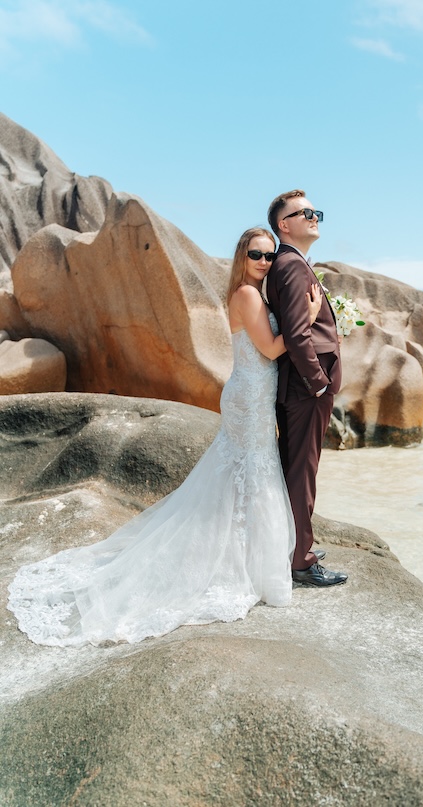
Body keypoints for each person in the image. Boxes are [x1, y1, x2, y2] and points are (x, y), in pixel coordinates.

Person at [7, 227, 323, 647]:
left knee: (244, 476)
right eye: (256, 255)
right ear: (241, 258)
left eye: (269, 255)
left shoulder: (255, 295)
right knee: (255, 474)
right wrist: (311, 316)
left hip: (252, 395)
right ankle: (258, 573)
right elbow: (269, 350)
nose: (264, 262)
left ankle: (251, 564)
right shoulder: (247, 296)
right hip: (249, 397)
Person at [267, 190, 347, 587]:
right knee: (302, 473)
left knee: (295, 469)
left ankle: (293, 545)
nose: (315, 217)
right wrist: (318, 384)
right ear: (284, 225)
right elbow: (298, 335)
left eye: (316, 211)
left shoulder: (293, 263)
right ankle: (301, 560)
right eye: (305, 213)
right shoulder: (291, 265)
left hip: (298, 388)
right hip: (305, 389)